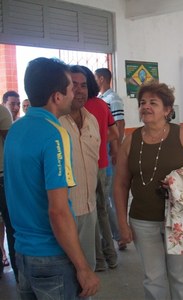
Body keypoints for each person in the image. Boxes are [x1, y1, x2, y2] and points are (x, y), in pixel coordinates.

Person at [4, 57, 100, 298]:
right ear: (57, 97)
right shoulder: (55, 134)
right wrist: (82, 266)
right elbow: (58, 210)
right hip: (50, 256)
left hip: (22, 253)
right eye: (70, 88)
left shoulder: (16, 129)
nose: (75, 93)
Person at [114, 80, 183, 300]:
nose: (146, 106)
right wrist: (122, 222)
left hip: (179, 219)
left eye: (153, 103)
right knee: (153, 278)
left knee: (181, 277)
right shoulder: (130, 141)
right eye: (142, 102)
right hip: (142, 220)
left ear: (167, 110)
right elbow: (120, 184)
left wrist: (181, 181)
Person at [59, 65, 101, 271]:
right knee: (66, 273)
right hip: (63, 213)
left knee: (88, 268)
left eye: (83, 85)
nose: (79, 90)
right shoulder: (55, 123)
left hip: (88, 209)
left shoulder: (92, 121)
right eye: (73, 85)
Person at [80, 65, 119, 271]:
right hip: (102, 165)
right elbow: (114, 134)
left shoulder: (78, 108)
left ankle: (99, 261)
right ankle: (111, 257)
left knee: (90, 213)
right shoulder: (102, 105)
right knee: (102, 210)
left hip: (85, 168)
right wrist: (101, 142)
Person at [95, 67, 126, 250]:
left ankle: (121, 234)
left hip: (111, 153)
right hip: (106, 151)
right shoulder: (101, 99)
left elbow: (119, 126)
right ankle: (119, 233)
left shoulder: (113, 99)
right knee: (108, 198)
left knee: (111, 197)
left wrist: (116, 152)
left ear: (101, 78)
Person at [0, 105, 15, 279]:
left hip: (3, 178)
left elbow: (9, 143)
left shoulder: (2, 112)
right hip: (3, 178)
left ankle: (19, 272)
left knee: (11, 227)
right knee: (12, 228)